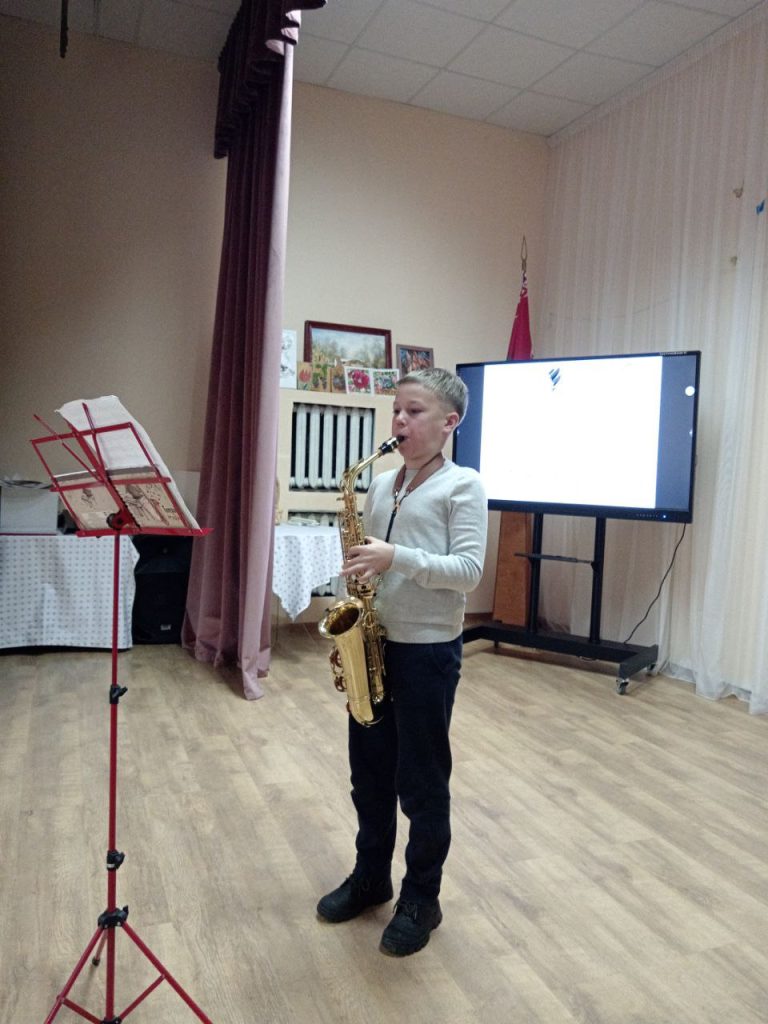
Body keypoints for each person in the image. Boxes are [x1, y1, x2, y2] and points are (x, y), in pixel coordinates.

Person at [316, 366, 488, 956]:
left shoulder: (464, 486)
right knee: (368, 776)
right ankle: (371, 877)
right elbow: (371, 561)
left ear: (449, 422)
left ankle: (421, 898)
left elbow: (468, 572)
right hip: (373, 643)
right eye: (397, 410)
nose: (399, 421)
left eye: (414, 411)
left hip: (427, 650)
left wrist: (397, 557)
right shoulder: (382, 483)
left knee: (421, 781)